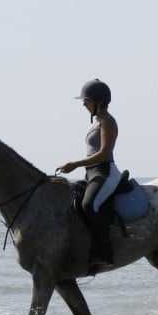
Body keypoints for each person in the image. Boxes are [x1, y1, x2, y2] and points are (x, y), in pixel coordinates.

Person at [58, 79, 120, 268]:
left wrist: (75, 164)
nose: (84, 104)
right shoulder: (96, 121)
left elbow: (103, 154)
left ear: (98, 101)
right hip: (91, 173)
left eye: (87, 101)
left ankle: (104, 253)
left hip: (105, 171)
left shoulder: (108, 122)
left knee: (89, 204)